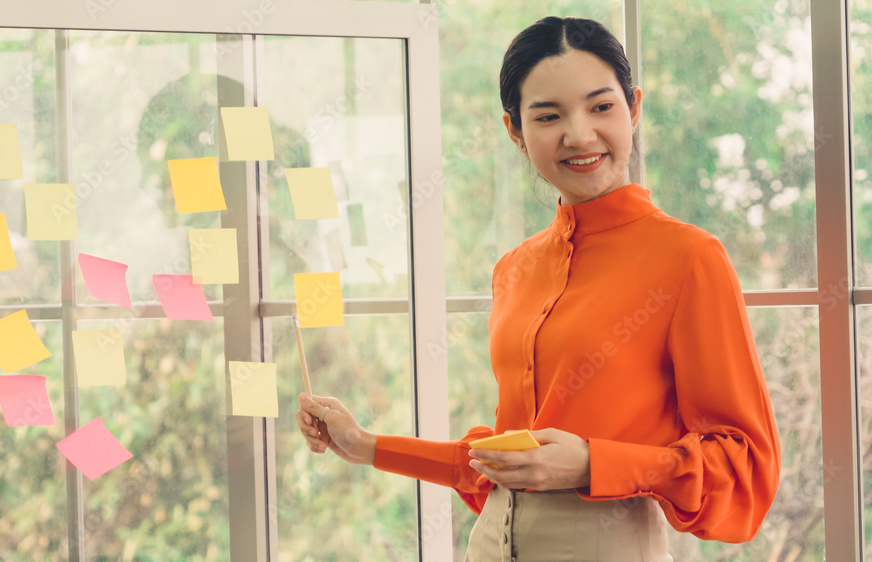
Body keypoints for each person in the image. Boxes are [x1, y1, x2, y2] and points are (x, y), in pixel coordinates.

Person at [296, 16, 780, 561]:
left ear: (634, 108)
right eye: (549, 116)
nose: (579, 135)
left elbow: (744, 468)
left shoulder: (689, 258)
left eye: (602, 107)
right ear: (515, 131)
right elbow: (502, 462)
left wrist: (595, 464)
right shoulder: (514, 269)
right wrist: (364, 445)